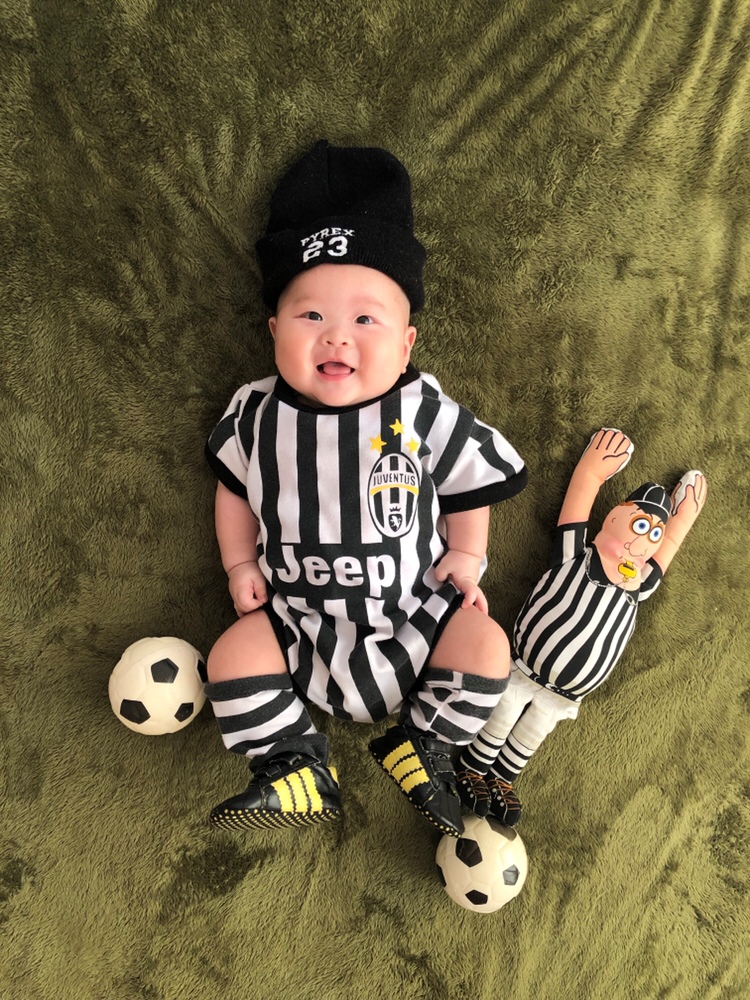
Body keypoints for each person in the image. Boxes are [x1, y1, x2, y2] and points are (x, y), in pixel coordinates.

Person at [203, 140, 528, 836]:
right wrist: (238, 564)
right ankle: (292, 763)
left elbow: (468, 482)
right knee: (231, 657)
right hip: (295, 619)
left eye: (365, 320)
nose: (336, 339)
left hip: (416, 614)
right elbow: (233, 489)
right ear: (273, 331)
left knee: (486, 647)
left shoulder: (422, 409)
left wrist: (467, 556)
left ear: (406, 344)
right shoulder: (256, 413)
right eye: (310, 317)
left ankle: (424, 742)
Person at [456, 427, 707, 826]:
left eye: (655, 533)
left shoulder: (641, 584)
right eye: (641, 525)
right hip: (526, 667)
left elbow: (670, 548)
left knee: (535, 730)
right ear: (614, 518)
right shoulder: (577, 556)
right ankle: (472, 768)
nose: (646, 541)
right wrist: (591, 471)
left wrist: (684, 518)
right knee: (505, 710)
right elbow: (576, 508)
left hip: (567, 693)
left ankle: (502, 778)